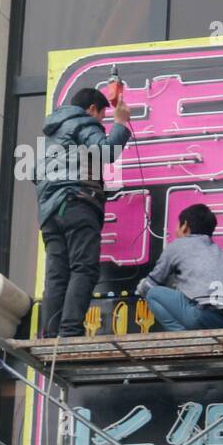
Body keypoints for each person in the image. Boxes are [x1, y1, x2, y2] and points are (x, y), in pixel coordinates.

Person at [35, 87, 131, 338]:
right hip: (77, 204)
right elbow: (107, 151)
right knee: (84, 268)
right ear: (91, 109)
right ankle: (69, 333)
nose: (101, 122)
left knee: (57, 275)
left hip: (49, 213)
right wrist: (120, 123)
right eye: (102, 116)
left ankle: (51, 334)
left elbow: (36, 174)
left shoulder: (52, 134)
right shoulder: (82, 122)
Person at [137, 203, 223, 332]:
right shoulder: (222, 254)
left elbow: (149, 285)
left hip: (206, 316)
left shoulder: (179, 245)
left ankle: (182, 338)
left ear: (185, 226)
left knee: (153, 294)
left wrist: (140, 288)